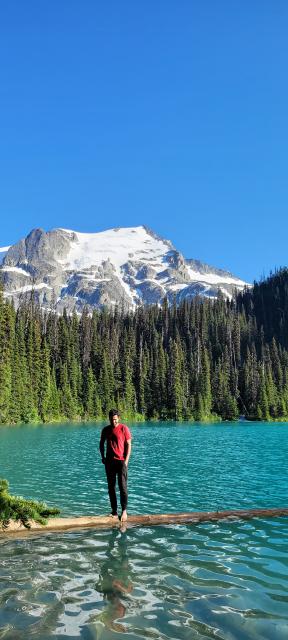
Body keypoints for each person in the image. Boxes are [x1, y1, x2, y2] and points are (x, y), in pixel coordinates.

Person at [99, 409, 132, 522]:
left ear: (119, 418)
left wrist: (126, 461)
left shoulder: (124, 428)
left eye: (115, 420)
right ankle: (114, 511)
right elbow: (101, 443)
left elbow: (128, 445)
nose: (114, 422)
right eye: (112, 420)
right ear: (109, 419)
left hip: (121, 462)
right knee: (111, 488)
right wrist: (103, 457)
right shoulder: (106, 430)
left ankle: (124, 511)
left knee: (122, 487)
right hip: (109, 462)